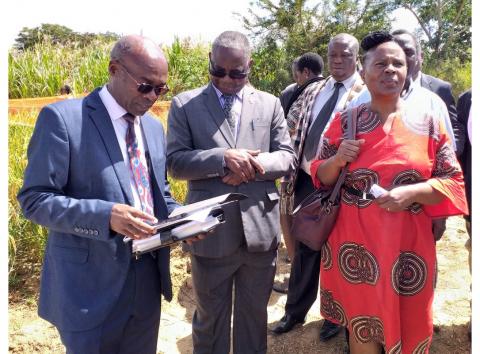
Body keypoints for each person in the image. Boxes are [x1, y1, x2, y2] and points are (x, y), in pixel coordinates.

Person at [18, 35, 180, 353]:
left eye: (161, 89)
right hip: (89, 287)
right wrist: (106, 216)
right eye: (146, 86)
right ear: (114, 69)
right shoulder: (64, 120)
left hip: (146, 282)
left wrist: (183, 220)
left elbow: (159, 194)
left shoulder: (152, 128)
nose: (153, 97)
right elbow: (35, 199)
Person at [311, 31, 467, 354]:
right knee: (363, 332)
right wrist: (339, 159)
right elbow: (320, 176)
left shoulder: (429, 123)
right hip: (356, 252)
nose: (391, 70)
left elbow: (453, 182)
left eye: (398, 63)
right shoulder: (346, 121)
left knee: (411, 326)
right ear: (364, 72)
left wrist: (411, 193)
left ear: (407, 71)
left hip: (408, 248)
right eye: (380, 64)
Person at [166, 31, 295, 354]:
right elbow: (175, 162)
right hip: (210, 231)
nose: (227, 79)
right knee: (210, 318)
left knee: (254, 317)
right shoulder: (185, 105)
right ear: (209, 62)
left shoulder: (270, 104)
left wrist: (253, 166)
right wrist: (223, 159)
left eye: (237, 72)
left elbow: (287, 156)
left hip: (259, 232)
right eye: (218, 71)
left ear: (249, 66)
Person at [273, 33, 364, 341]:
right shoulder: (315, 89)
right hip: (304, 178)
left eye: (345, 56)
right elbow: (294, 128)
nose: (338, 61)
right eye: (333, 55)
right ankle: (294, 313)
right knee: (305, 249)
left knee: (338, 252)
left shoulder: (365, 92)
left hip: (340, 183)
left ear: (357, 58)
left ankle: (334, 317)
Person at [276, 52, 325, 293]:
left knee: (289, 217)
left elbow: (286, 132)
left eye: (297, 75)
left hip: (298, 174)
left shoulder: (297, 92)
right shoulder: (335, 89)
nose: (296, 79)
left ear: (305, 72)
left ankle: (296, 277)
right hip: (327, 174)